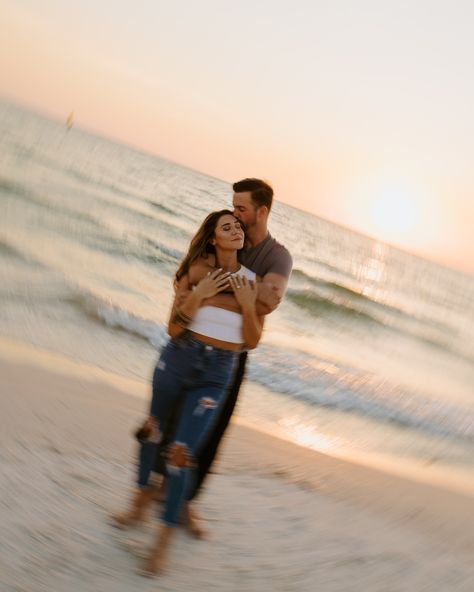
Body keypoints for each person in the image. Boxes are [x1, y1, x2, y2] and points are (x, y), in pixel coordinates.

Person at [113, 179, 292, 534]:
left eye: (241, 208)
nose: (236, 214)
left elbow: (269, 303)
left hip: (231, 354)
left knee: (208, 434)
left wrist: (218, 292)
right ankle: (154, 492)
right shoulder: (226, 234)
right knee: (168, 424)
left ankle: (184, 504)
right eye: (233, 207)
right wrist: (232, 293)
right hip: (191, 344)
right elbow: (197, 279)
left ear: (262, 211)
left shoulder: (276, 256)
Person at [117, 209, 265, 576]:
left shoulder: (252, 282)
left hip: (217, 373)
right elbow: (172, 328)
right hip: (180, 357)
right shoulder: (195, 271)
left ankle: (162, 541)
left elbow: (253, 340)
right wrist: (198, 295)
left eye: (237, 226)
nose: (234, 230)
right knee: (152, 431)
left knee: (181, 454)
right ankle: (138, 500)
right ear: (213, 238)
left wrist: (247, 307)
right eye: (225, 227)